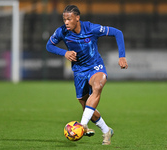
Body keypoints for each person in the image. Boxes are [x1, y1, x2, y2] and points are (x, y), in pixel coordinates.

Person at [46, 5, 128, 145]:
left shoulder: (91, 28)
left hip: (95, 66)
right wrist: (64, 53)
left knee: (97, 85)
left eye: (69, 19)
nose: (66, 22)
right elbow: (49, 45)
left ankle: (82, 125)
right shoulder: (62, 32)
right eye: (64, 19)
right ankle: (106, 130)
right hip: (79, 71)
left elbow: (117, 32)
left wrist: (122, 56)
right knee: (88, 108)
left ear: (77, 18)